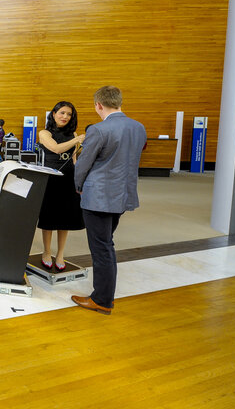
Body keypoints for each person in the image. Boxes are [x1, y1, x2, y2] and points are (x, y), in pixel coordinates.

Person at [71, 86, 146, 315]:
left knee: (101, 247)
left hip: (98, 197)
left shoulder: (98, 129)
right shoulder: (138, 127)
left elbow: (84, 164)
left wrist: (78, 186)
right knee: (107, 243)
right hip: (122, 196)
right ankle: (104, 294)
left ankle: (102, 299)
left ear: (98, 105)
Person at [37, 101, 86, 271]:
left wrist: (79, 180)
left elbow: (73, 160)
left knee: (65, 218)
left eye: (69, 114)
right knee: (49, 217)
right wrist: (77, 139)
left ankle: (60, 254)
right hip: (50, 178)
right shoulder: (44, 133)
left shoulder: (72, 134)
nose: (65, 116)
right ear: (54, 114)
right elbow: (56, 149)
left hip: (68, 178)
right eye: (62, 113)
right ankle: (46, 252)